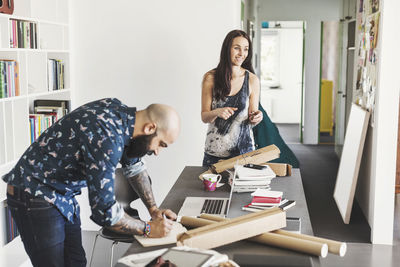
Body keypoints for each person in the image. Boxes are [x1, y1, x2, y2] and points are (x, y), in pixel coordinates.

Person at [2, 98, 180, 267]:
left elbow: (134, 167)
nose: (157, 152)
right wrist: (148, 229)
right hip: (34, 191)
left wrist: (154, 210)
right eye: (161, 144)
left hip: (62, 194)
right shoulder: (107, 137)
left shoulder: (119, 113)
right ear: (150, 128)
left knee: (76, 262)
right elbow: (105, 213)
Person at [201, 30, 262, 167]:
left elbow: (253, 116)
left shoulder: (252, 80)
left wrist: (257, 117)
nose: (242, 53)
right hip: (215, 154)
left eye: (246, 49)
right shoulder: (210, 78)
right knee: (210, 189)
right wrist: (217, 112)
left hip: (244, 153)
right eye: (236, 48)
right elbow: (204, 117)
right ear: (227, 49)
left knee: (244, 189)